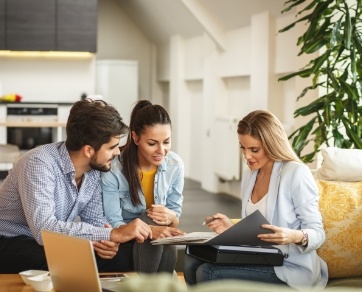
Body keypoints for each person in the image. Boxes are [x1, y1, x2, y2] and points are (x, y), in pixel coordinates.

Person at [0, 99, 152, 273]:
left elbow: (95, 221)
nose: (117, 152)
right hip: (9, 240)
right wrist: (112, 234)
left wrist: (106, 242)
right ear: (88, 150)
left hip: (49, 242)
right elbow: (44, 230)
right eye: (112, 147)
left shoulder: (94, 170)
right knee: (64, 258)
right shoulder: (38, 163)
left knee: (122, 257)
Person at [184, 110, 328, 290]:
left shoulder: (296, 173)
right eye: (242, 148)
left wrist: (294, 236)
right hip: (260, 258)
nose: (246, 156)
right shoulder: (250, 176)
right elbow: (258, 229)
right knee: (192, 260)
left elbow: (318, 233)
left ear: (272, 144)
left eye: (254, 150)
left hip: (289, 267)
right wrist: (232, 228)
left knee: (209, 272)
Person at [101, 100, 185, 274]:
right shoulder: (114, 169)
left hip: (157, 241)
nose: (161, 150)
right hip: (126, 238)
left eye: (167, 142)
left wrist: (171, 218)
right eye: (152, 143)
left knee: (159, 223)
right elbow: (113, 222)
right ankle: (162, 283)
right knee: (148, 219)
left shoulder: (175, 165)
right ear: (135, 137)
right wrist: (150, 229)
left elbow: (175, 217)